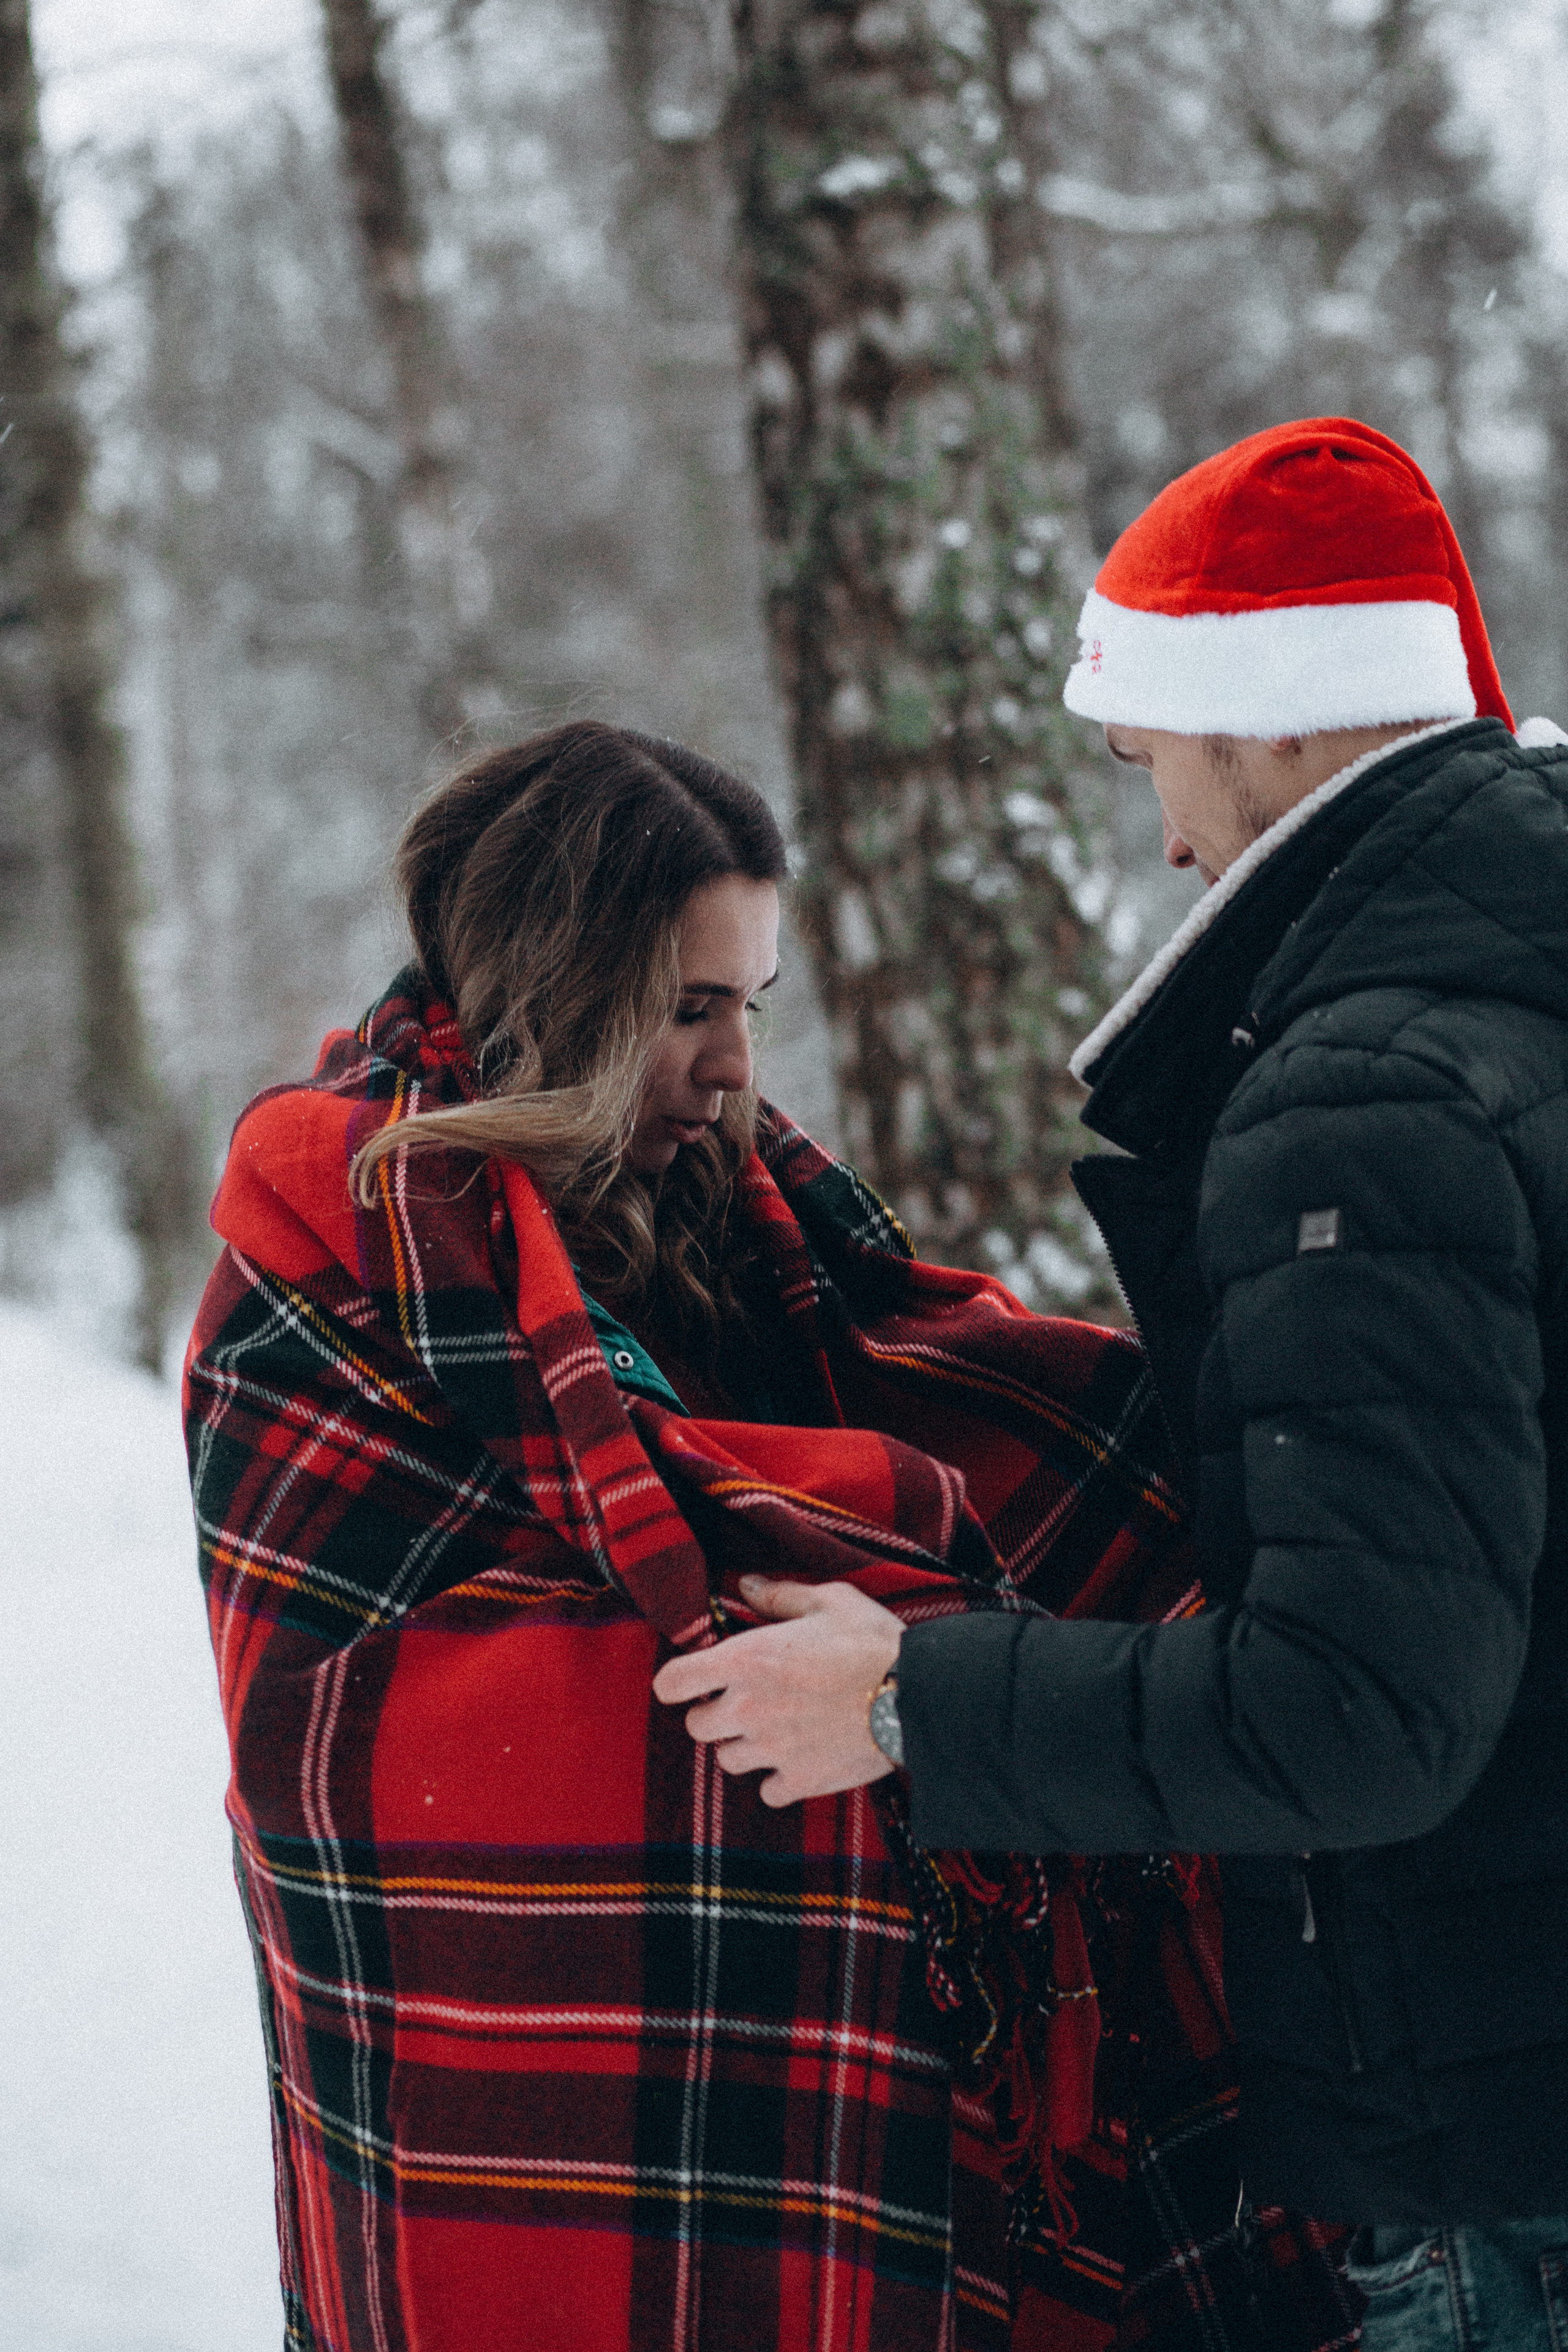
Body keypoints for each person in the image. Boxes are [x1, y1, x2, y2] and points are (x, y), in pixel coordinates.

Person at [185, 721, 1354, 2352]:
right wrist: (875, 1628)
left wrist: (950, 1635)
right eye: (689, 1010)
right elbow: (341, 1737)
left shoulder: (734, 1219)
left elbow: (903, 1398)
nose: (737, 1067)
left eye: (753, 1007)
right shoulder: (340, 1235)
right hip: (509, 2080)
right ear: (562, 997)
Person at [656, 418, 1568, 2351]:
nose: (1162, 832)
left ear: (1265, 720)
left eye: (1152, 756)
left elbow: (1361, 1711)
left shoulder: (1366, 1097)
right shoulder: (1517, 1021)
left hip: (1501, 2166)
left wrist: (904, 1696)